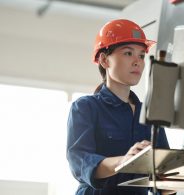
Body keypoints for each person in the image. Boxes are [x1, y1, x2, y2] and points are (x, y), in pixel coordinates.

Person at [66, 19, 172, 195]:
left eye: (141, 55)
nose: (137, 61)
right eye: (128, 53)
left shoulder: (150, 112)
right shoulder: (86, 107)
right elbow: (80, 161)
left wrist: (176, 180)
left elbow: (162, 179)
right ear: (104, 60)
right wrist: (125, 161)